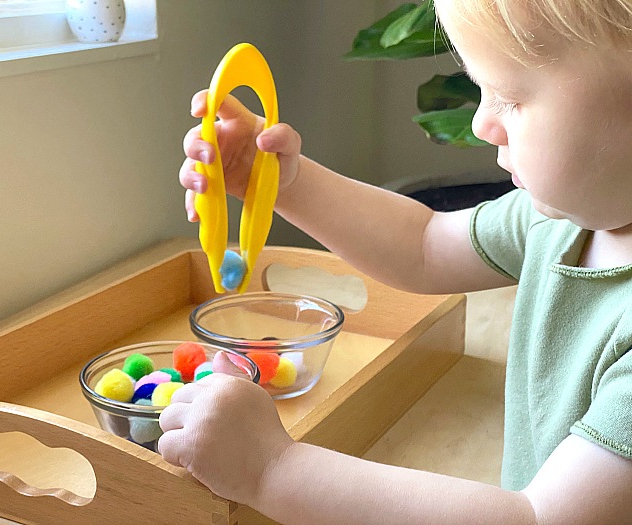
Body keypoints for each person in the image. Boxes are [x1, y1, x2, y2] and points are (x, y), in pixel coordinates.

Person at [160, 0, 632, 522]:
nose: (480, 123)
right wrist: (278, 181)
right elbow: (423, 245)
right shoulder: (564, 219)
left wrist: (270, 469)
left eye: (512, 98)